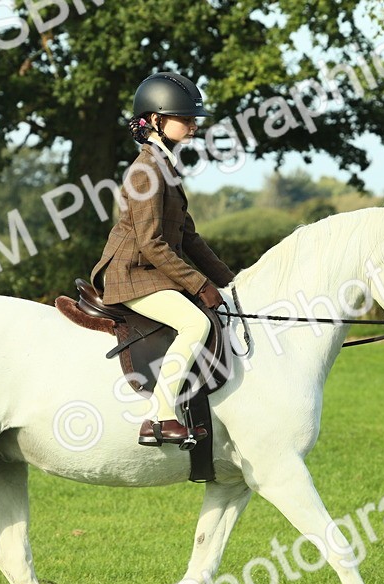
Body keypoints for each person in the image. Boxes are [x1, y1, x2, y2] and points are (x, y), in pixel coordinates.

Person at [90, 72, 236, 447]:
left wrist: (230, 282)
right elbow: (152, 244)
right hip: (131, 273)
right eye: (184, 117)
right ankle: (160, 416)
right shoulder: (146, 170)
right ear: (155, 120)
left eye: (192, 118)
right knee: (194, 323)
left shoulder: (165, 167)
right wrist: (199, 285)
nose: (192, 125)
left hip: (149, 272)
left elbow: (189, 237)